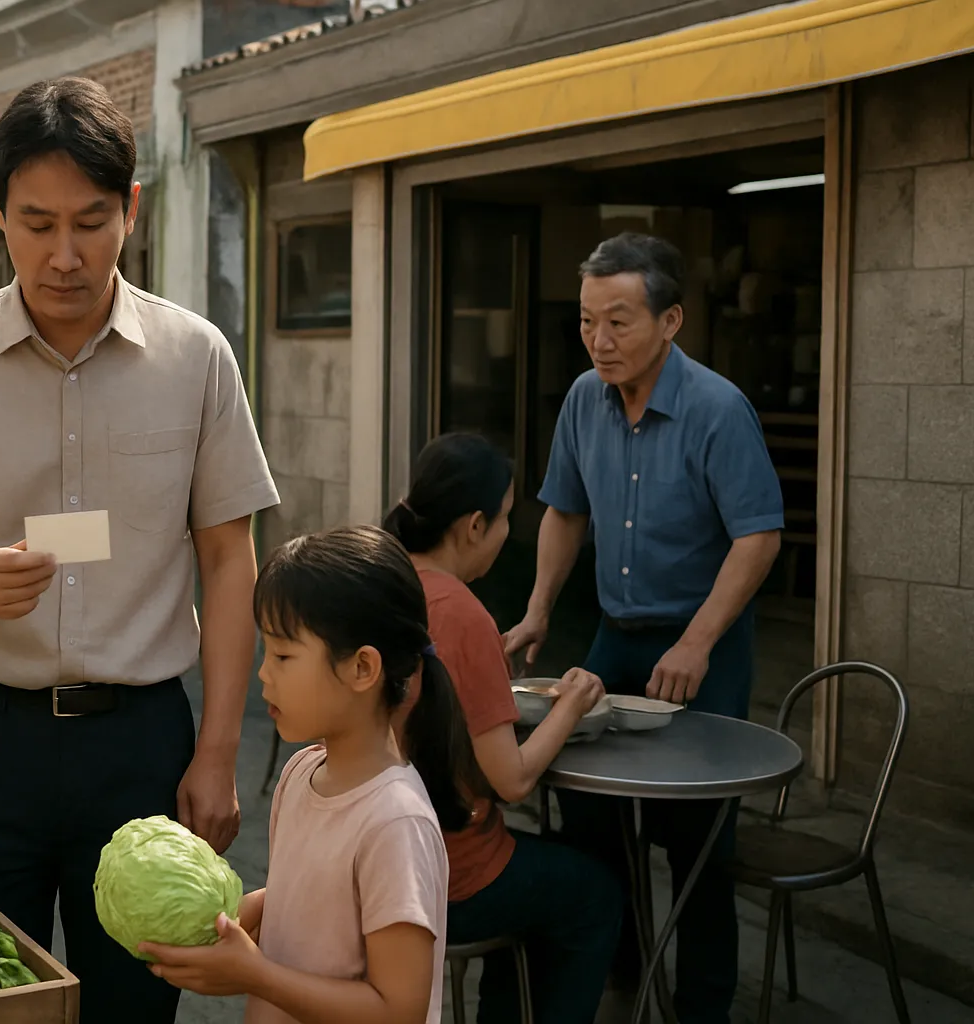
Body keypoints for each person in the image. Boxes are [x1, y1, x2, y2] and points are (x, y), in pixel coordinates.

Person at [0, 76, 277, 1023]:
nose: (63, 255)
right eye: (36, 222)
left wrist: (216, 754)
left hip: (140, 749)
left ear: (130, 210)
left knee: (135, 1008)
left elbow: (227, 559)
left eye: (90, 222)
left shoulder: (196, 357)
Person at [503, 232, 784, 1021]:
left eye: (619, 321)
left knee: (699, 845)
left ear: (672, 321)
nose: (599, 340)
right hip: (612, 640)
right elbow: (564, 509)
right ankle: (620, 974)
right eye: (590, 321)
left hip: (703, 646)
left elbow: (759, 535)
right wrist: (538, 609)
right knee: (587, 817)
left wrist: (696, 642)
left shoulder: (719, 410)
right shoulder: (581, 401)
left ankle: (701, 1007)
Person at [143, 525, 456, 1024]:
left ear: (362, 668)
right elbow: (303, 897)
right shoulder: (302, 771)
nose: (264, 673)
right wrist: (216, 921)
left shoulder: (396, 823)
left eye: (284, 655)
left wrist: (256, 975)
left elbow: (400, 1009)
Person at [383, 431, 622, 1023]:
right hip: (451, 875)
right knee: (594, 893)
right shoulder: (462, 613)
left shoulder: (382, 580)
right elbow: (511, 782)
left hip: (385, 857)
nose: (508, 532)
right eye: (507, 518)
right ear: (472, 526)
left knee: (544, 878)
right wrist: (571, 702)